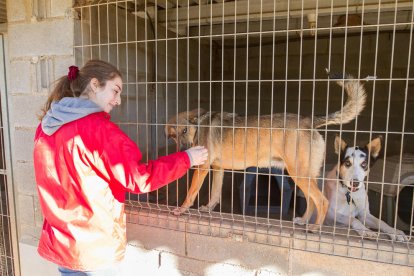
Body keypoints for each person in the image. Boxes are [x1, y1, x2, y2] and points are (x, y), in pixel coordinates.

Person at [33, 59, 208, 275]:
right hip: (95, 250)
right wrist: (187, 158)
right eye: (115, 91)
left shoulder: (46, 127)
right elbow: (139, 178)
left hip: (62, 244)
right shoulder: (100, 130)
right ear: (95, 85)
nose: (118, 101)